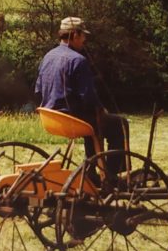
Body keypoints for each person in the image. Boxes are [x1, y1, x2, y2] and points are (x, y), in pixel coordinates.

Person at [34, 16, 130, 173]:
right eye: (83, 35)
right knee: (119, 124)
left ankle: (91, 173)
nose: (85, 39)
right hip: (71, 119)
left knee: (92, 123)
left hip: (50, 117)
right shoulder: (78, 60)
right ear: (75, 35)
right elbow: (88, 97)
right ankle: (113, 175)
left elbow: (38, 91)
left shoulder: (48, 56)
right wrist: (101, 110)